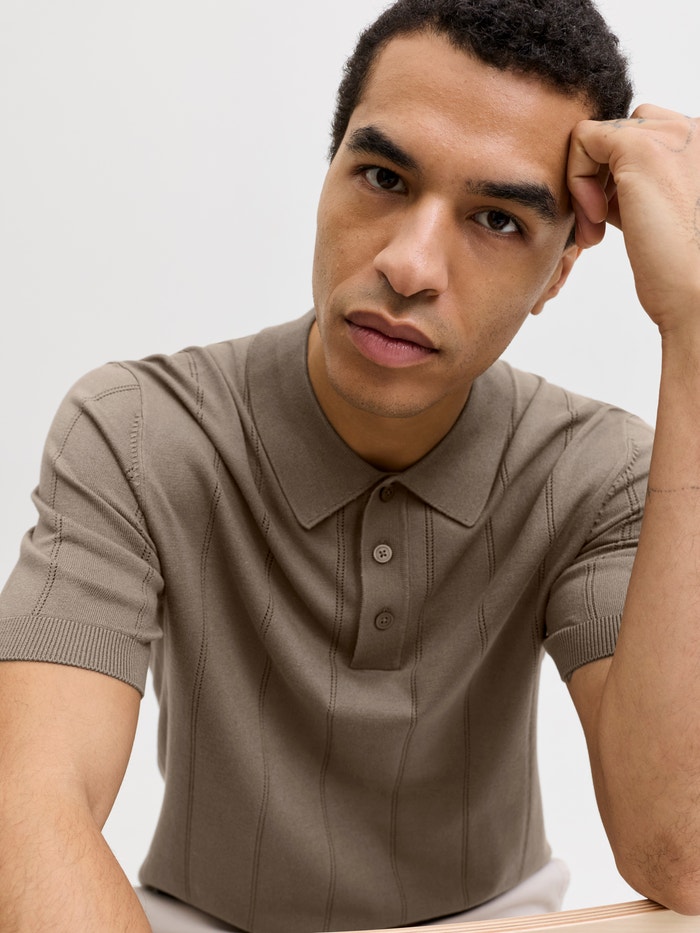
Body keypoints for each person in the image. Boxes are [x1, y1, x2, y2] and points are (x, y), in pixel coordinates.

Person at [1, 0, 700, 930]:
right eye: (381, 176)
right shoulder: (136, 430)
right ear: (327, 174)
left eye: (497, 219)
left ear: (559, 274)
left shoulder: (596, 473)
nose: (410, 266)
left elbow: (681, 853)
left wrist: (695, 331)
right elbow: (28, 806)